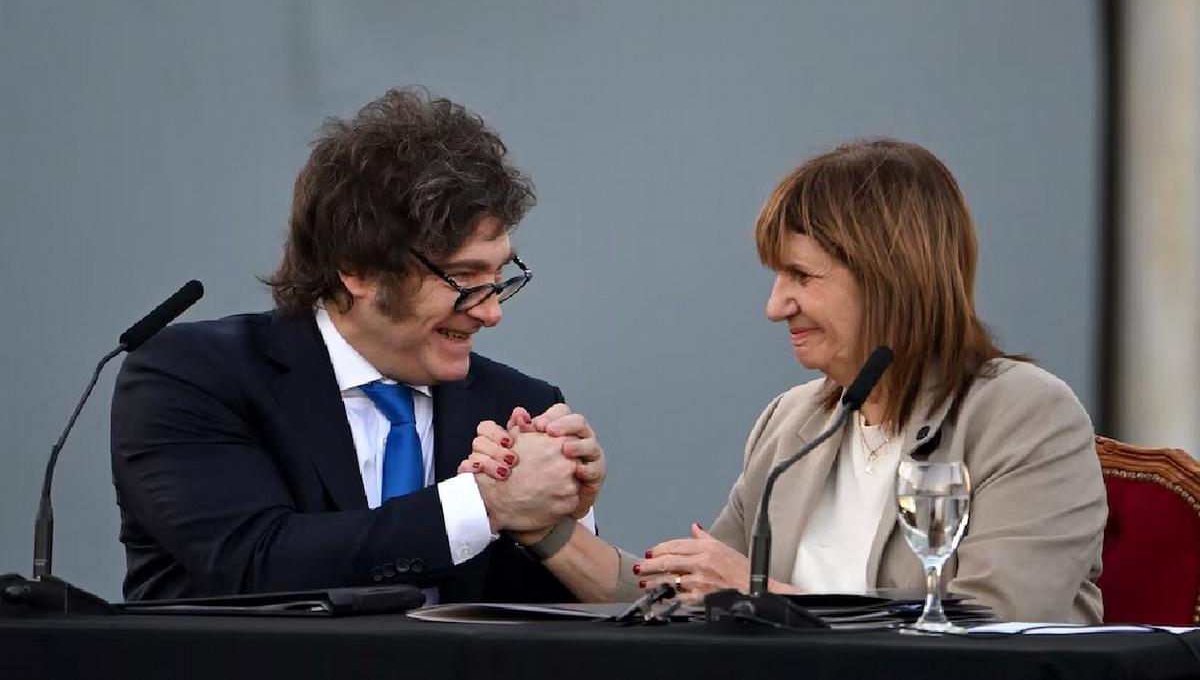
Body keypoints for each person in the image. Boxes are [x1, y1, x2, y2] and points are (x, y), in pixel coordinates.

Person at [466, 138, 1107, 623]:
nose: (776, 306)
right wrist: (540, 524)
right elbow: (686, 602)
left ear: (890, 276)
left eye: (801, 276)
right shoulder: (795, 421)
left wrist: (761, 596)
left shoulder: (1025, 415)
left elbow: (995, 625)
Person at [109, 87, 606, 602]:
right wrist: (486, 504)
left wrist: (559, 511)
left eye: (500, 276)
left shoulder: (517, 408)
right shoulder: (190, 376)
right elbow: (249, 564)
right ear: (358, 270)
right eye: (463, 278)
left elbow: (547, 629)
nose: (491, 311)